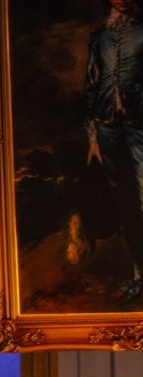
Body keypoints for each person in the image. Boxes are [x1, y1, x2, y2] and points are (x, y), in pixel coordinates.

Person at [85, 0, 143, 299]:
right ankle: (138, 274)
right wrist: (93, 137)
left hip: (140, 127)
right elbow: (91, 87)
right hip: (107, 129)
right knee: (125, 204)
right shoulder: (99, 37)